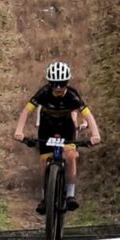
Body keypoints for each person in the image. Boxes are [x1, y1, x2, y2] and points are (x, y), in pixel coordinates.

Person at [14, 61, 101, 214]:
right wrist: (19, 131)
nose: (59, 88)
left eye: (62, 84)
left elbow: (88, 115)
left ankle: (70, 195)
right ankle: (44, 198)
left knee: (70, 156)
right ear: (50, 83)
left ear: (67, 82)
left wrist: (95, 134)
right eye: (55, 84)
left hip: (66, 127)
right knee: (44, 161)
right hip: (47, 127)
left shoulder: (73, 96)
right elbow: (26, 111)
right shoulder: (43, 93)